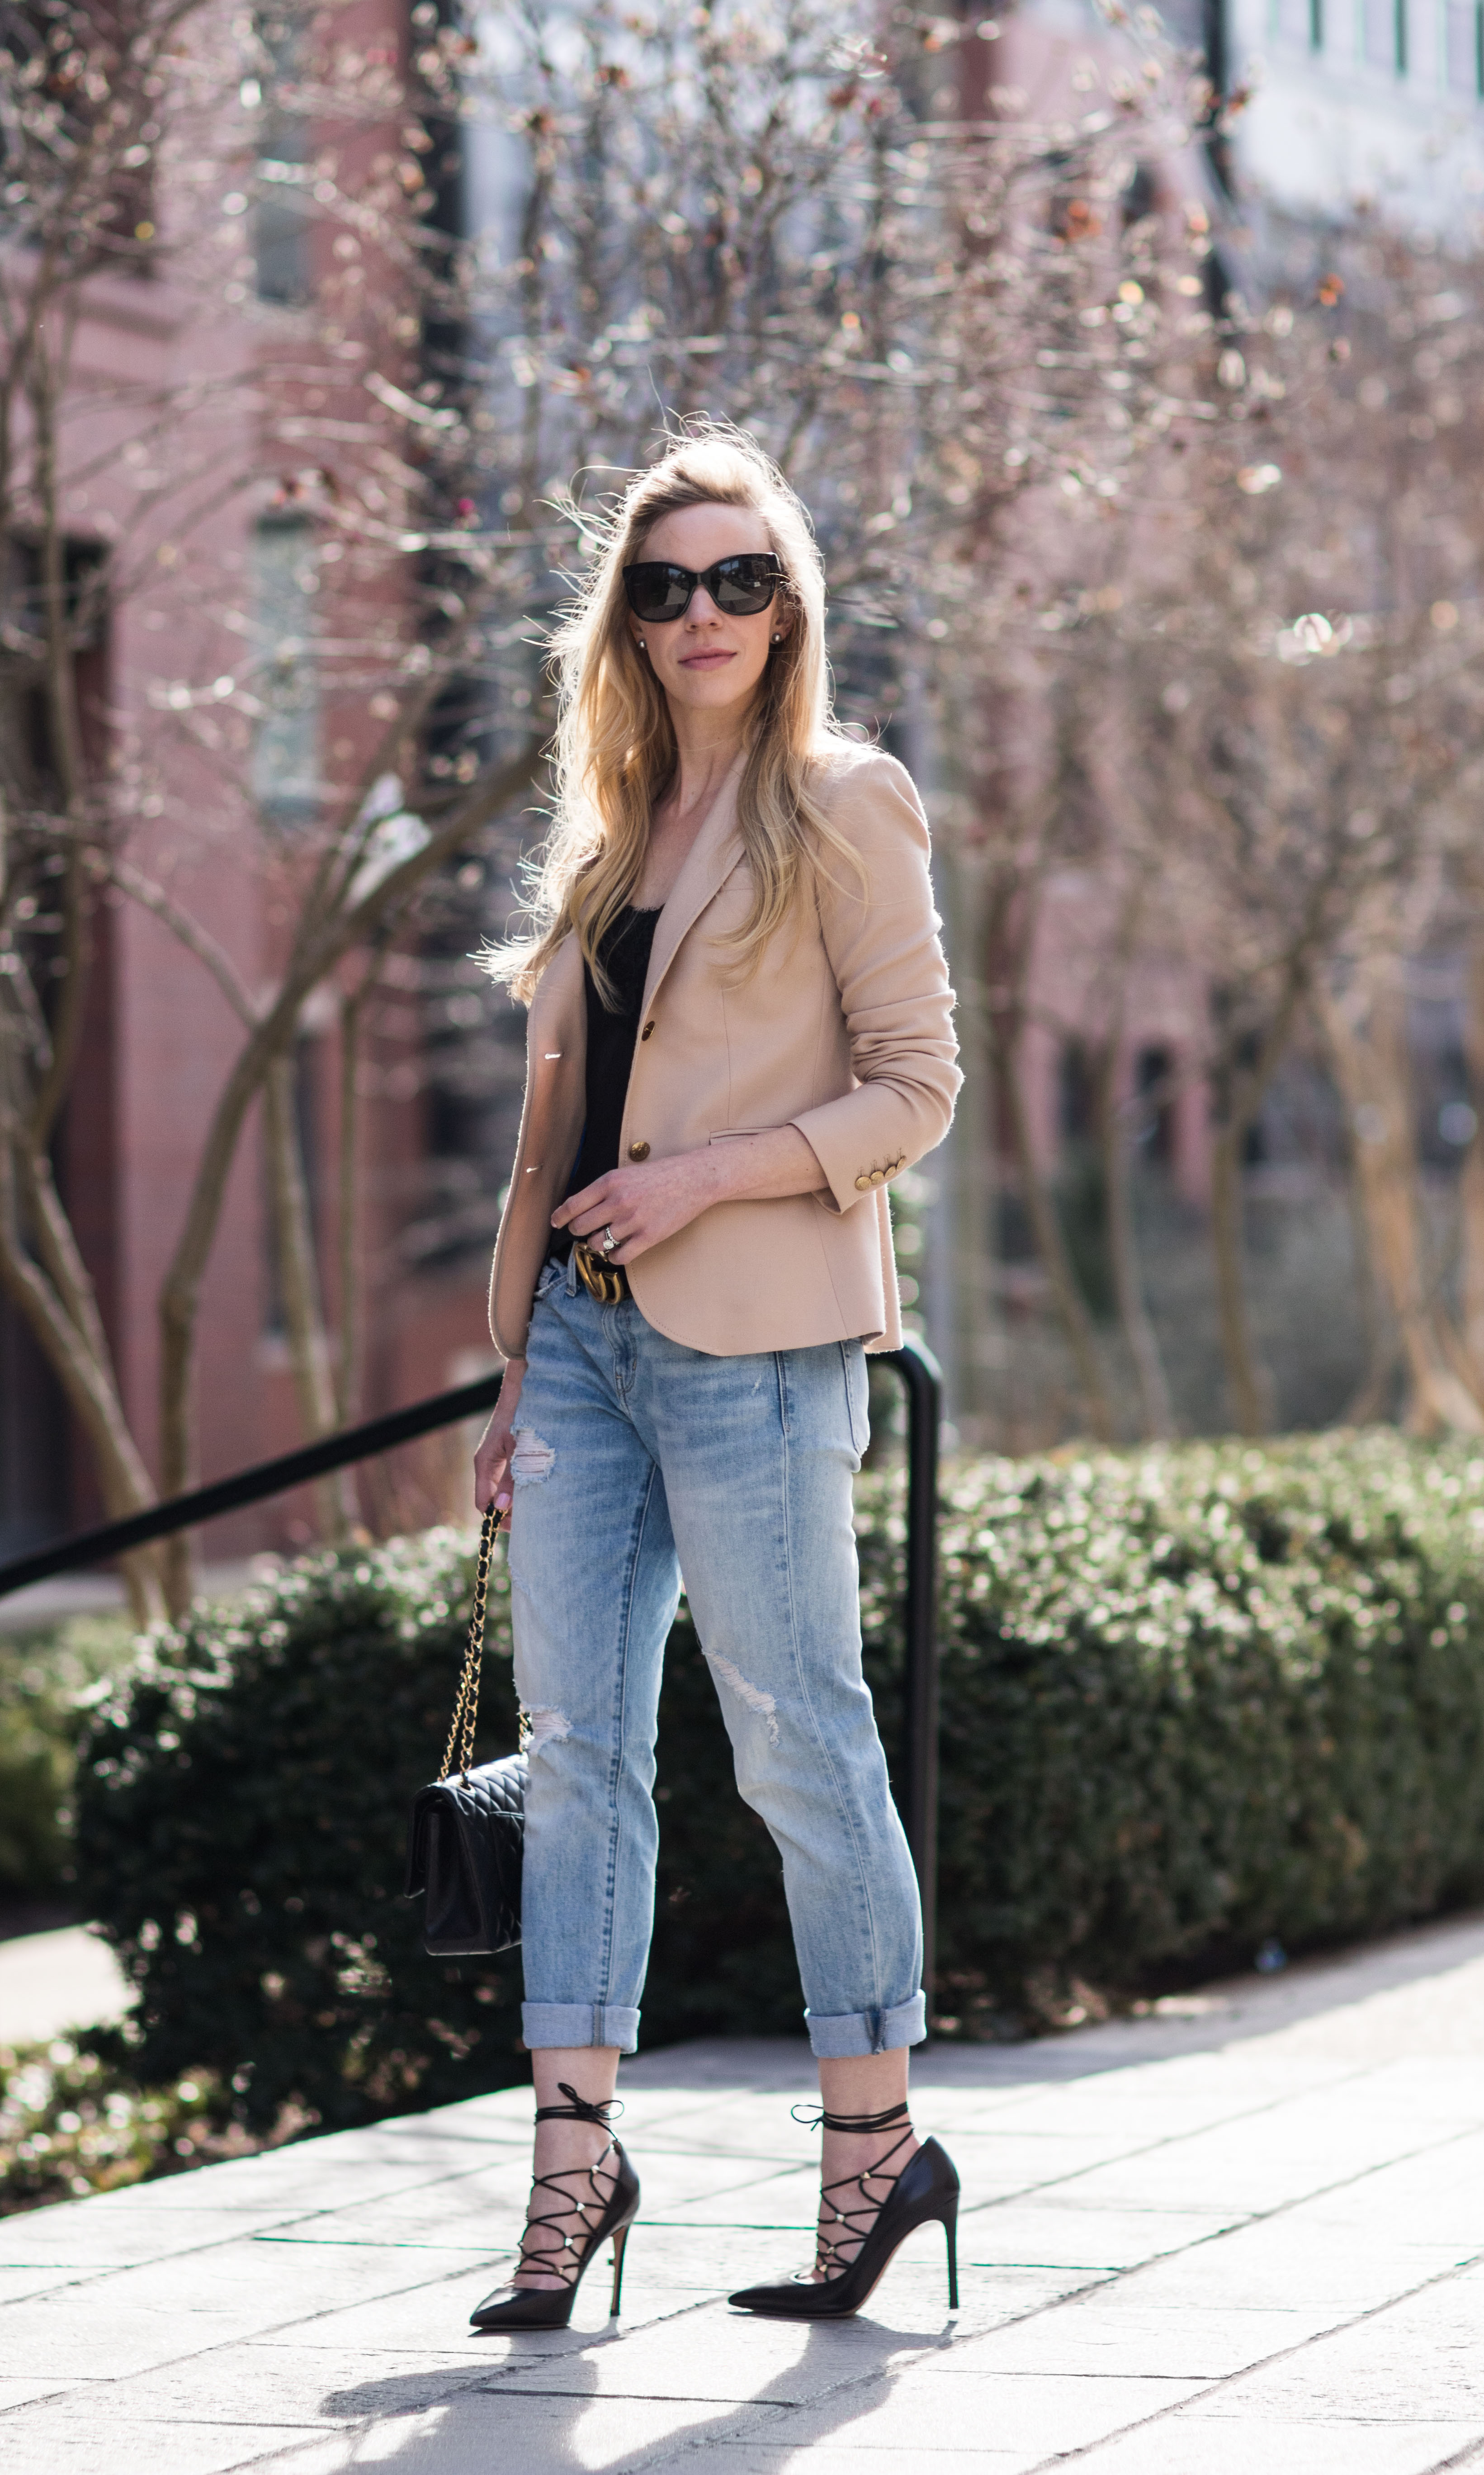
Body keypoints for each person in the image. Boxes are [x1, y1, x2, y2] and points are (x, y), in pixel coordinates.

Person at [468, 427, 962, 2330]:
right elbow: (558, 1129)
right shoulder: (607, 833)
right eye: (664, 582)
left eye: (739, 579)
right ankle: (573, 2173)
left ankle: (874, 2156)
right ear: (628, 617)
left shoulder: (845, 804)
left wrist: (701, 1180)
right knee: (581, 1761)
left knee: (797, 1743)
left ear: (791, 608)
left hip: (754, 1341)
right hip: (581, 1348)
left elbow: (918, 1086)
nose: (702, 612)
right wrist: (516, 1374)